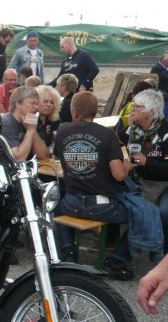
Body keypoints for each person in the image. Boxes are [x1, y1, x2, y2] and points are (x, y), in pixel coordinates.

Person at [54, 91, 143, 279]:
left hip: (71, 203)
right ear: (95, 112)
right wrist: (128, 164)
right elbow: (119, 175)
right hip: (102, 206)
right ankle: (116, 261)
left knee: (56, 205)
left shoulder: (62, 131)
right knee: (141, 216)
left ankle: (68, 252)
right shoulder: (107, 135)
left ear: (73, 111)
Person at [117, 89, 168, 255]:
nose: (132, 108)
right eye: (133, 105)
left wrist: (147, 162)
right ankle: (112, 245)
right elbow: (116, 142)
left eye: (137, 106)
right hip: (139, 182)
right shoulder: (132, 129)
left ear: (150, 112)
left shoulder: (165, 134)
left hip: (163, 185)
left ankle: (161, 255)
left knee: (162, 211)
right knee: (112, 199)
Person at [0, 86, 48, 171]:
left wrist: (32, 129)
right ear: (18, 104)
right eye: (32, 103)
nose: (36, 107)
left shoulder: (29, 123)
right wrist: (30, 130)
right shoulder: (5, 122)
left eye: (37, 104)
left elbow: (42, 154)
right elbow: (18, 158)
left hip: (12, 172)